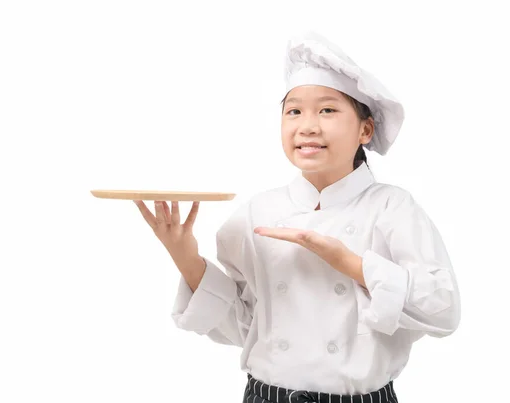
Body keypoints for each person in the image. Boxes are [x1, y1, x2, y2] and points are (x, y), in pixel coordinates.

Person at [134, 30, 460, 403]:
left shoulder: (392, 207)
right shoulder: (260, 211)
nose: (308, 125)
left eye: (327, 109)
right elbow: (242, 323)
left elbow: (444, 310)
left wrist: (349, 264)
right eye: (294, 111)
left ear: (365, 130)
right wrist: (183, 254)